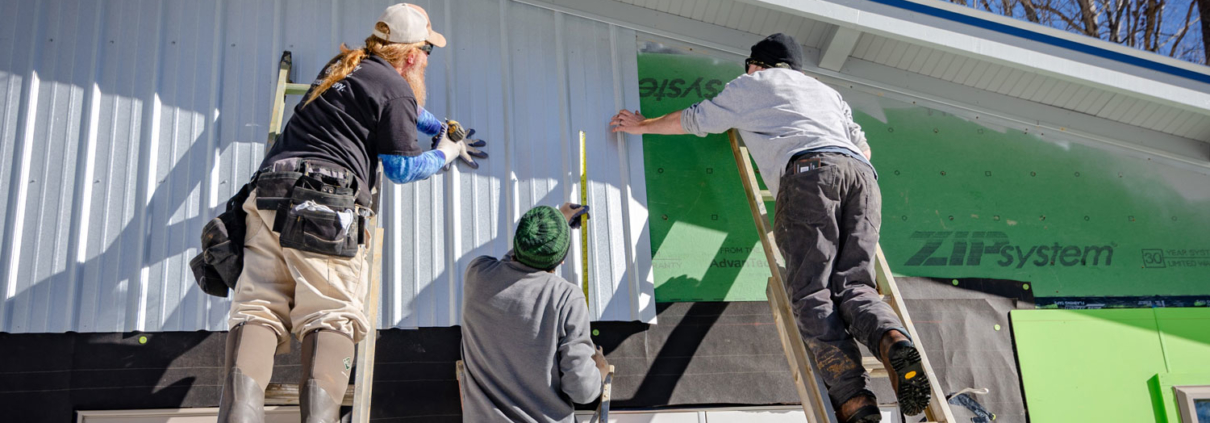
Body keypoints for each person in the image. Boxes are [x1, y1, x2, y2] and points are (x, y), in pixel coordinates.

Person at [609, 33, 930, 422]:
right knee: (856, 284)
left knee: (812, 290)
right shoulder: (826, 93)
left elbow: (696, 119)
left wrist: (642, 125)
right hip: (863, 179)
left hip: (810, 175)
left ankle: (854, 402)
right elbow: (863, 149)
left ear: (758, 64)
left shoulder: (753, 84)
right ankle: (891, 339)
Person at [218, 4, 486, 423]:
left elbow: (395, 107)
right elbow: (400, 168)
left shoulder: (343, 66)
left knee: (259, 310)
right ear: (412, 55)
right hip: (325, 205)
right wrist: (445, 152)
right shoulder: (396, 90)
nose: (427, 63)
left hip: (268, 196)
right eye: (427, 54)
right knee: (329, 314)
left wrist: (436, 126)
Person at [459, 203, 609, 423]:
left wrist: (554, 224)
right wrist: (600, 375)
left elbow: (509, 263)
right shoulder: (567, 297)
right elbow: (582, 391)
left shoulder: (477, 274)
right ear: (561, 260)